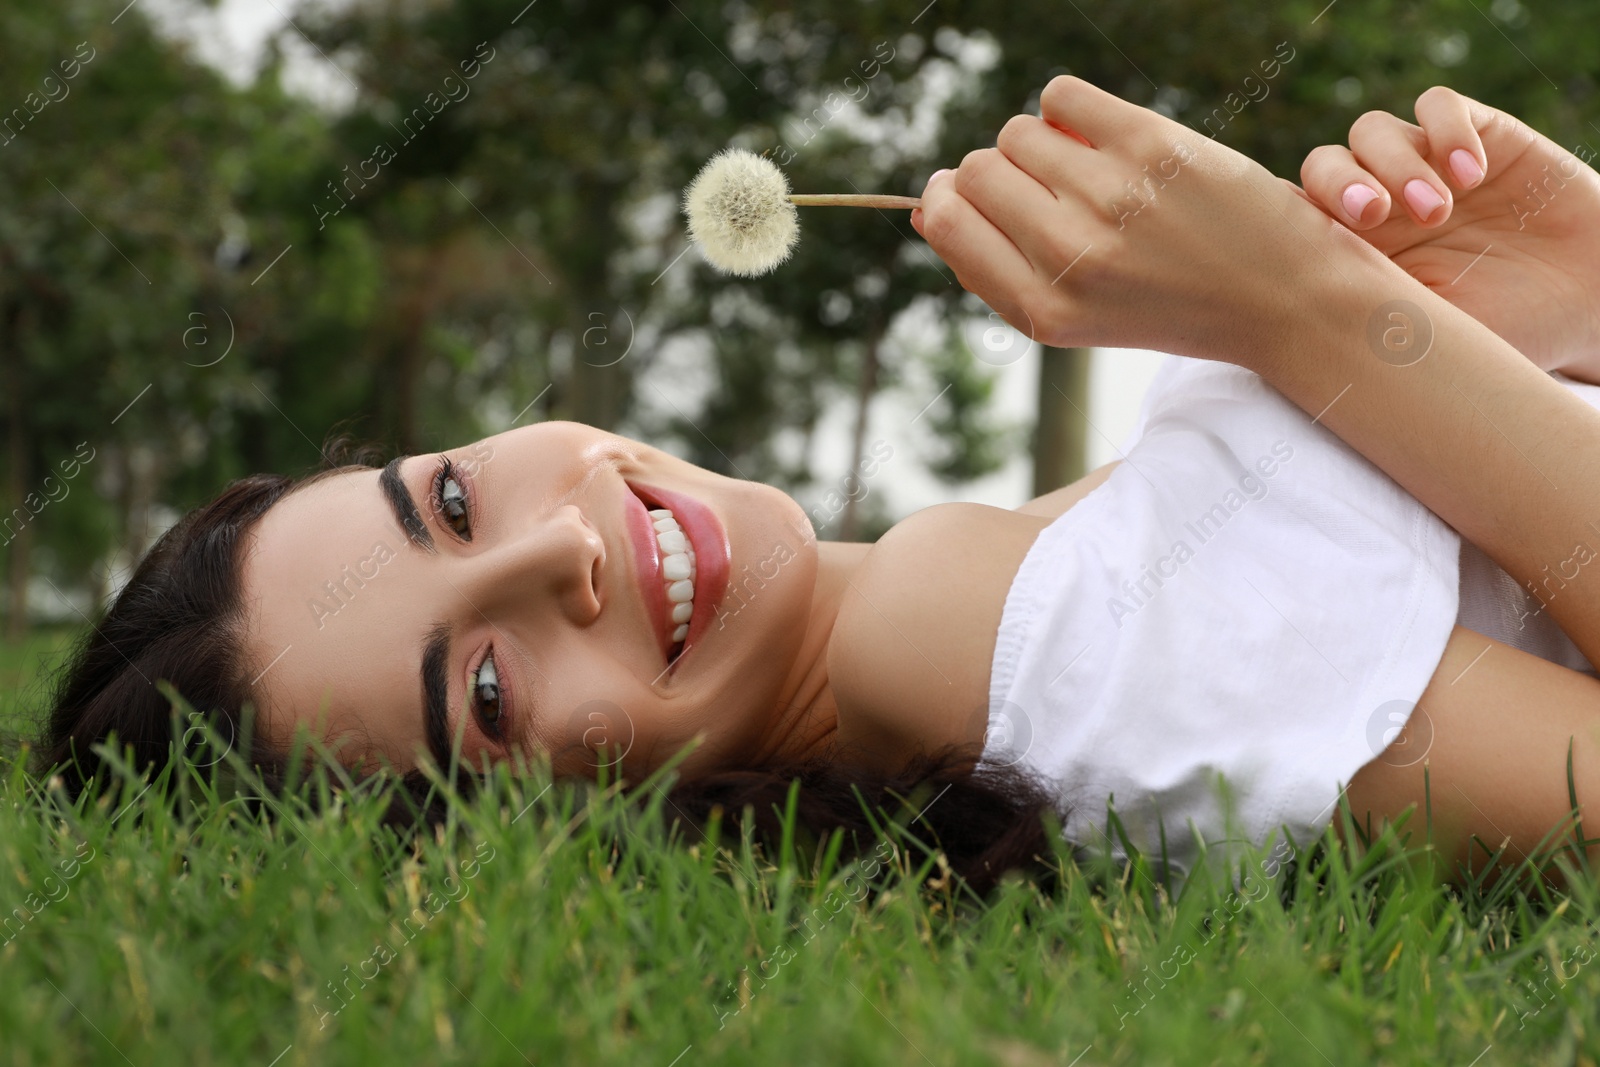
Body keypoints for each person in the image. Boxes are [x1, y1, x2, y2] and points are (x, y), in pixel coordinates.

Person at [38, 82, 1600, 890]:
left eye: (450, 505)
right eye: (493, 694)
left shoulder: (1051, 557)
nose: (559, 556)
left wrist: (1567, 286)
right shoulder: (942, 631)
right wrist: (1303, 307)